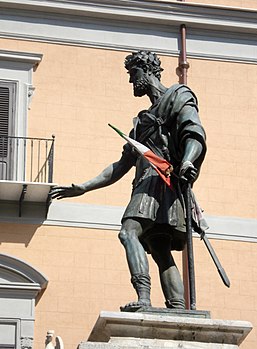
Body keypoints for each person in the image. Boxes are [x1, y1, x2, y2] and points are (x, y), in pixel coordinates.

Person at [50, 51, 207, 311]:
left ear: (147, 70)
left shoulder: (178, 96)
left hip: (162, 180)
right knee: (158, 247)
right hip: (147, 181)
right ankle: (178, 307)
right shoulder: (140, 124)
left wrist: (189, 161)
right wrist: (84, 187)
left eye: (133, 74)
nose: (131, 81)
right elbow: (121, 165)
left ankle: (144, 298)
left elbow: (194, 133)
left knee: (128, 232)